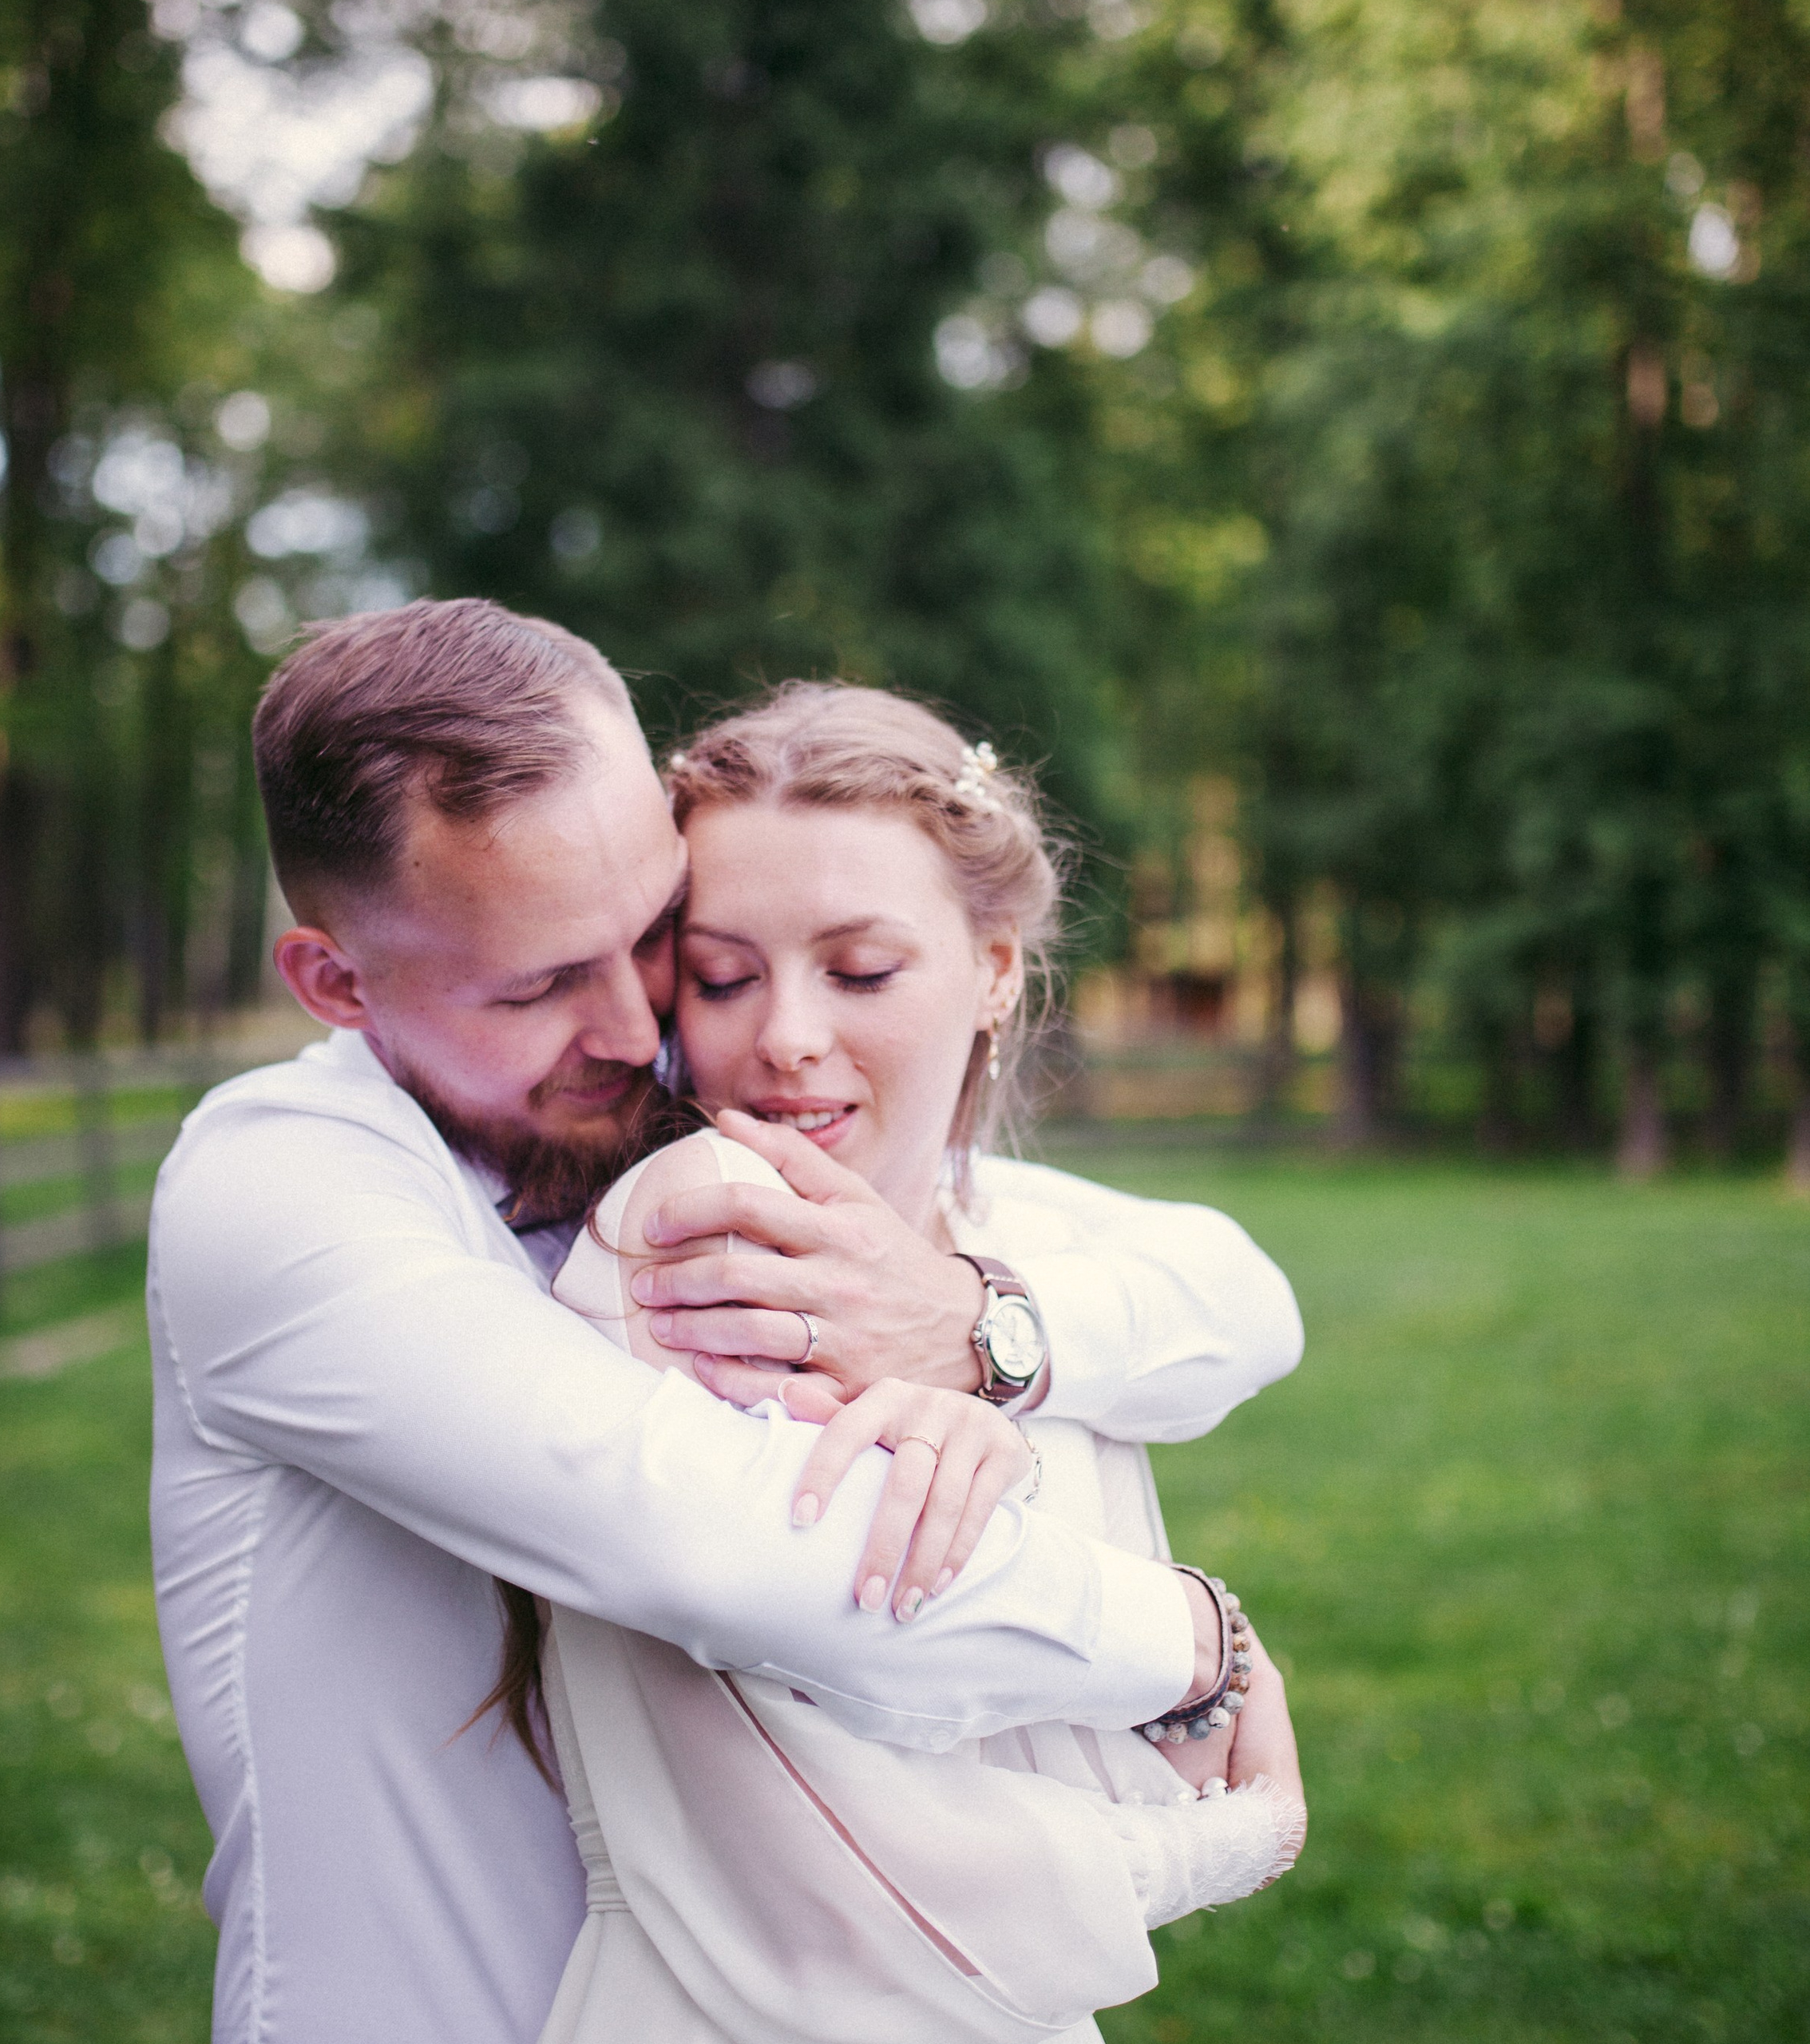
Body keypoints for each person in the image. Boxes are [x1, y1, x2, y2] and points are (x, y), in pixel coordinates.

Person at [146, 598, 1303, 2044]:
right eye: (539, 982)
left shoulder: (654, 1138)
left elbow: (1233, 1289)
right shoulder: (283, 1188)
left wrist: (981, 1330)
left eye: (651, 939)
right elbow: (743, 1546)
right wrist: (1197, 1642)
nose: (640, 1032)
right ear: (336, 983)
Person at [531, 684, 1305, 2043]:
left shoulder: (1016, 1240)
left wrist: (985, 1337)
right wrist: (1232, 1765)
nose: (785, 1036)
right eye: (721, 976)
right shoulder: (692, 1249)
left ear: (996, 967)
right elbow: (876, 1839)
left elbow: (1249, 1300)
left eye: (861, 970)